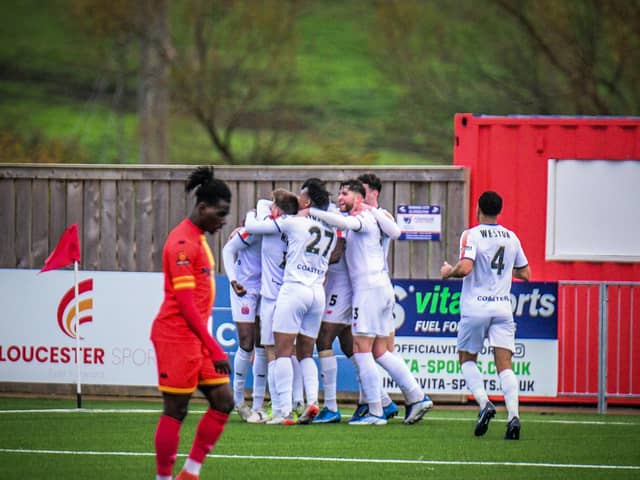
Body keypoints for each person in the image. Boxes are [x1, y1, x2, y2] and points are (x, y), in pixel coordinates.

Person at [310, 179, 433, 425]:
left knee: (361, 349)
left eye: (344, 193)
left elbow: (346, 222)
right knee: (379, 351)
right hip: (382, 287)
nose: (340, 197)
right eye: (339, 193)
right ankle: (416, 396)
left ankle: (376, 411)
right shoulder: (372, 216)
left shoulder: (364, 218)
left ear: (359, 197)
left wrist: (310, 211)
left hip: (368, 290)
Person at [150, 166, 233, 480]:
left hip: (194, 338)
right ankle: (164, 478)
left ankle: (190, 473)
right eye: (220, 213)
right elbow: (185, 305)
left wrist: (207, 344)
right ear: (203, 208)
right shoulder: (183, 244)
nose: (223, 220)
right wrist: (214, 347)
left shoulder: (198, 238)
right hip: (175, 336)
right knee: (176, 410)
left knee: (223, 400)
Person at [440, 190, 530, 440]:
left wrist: (448, 271)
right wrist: (499, 276)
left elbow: (466, 268)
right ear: (500, 210)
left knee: (467, 358)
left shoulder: (472, 234)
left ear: (478, 208)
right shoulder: (512, 237)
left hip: (476, 307)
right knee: (505, 365)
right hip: (502, 307)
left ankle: (484, 403)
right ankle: (514, 418)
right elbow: (525, 273)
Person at [245, 179, 336, 424]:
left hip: (294, 290)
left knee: (282, 352)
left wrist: (254, 214)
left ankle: (283, 411)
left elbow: (254, 225)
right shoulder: (329, 231)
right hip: (317, 293)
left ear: (305, 201)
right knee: (306, 354)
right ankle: (313, 403)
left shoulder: (293, 223)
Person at [221, 222, 268, 423]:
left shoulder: (281, 228)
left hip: (266, 290)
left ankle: (258, 405)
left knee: (263, 345)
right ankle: (238, 400)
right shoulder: (251, 230)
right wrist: (233, 280)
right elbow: (227, 250)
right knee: (246, 343)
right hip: (244, 289)